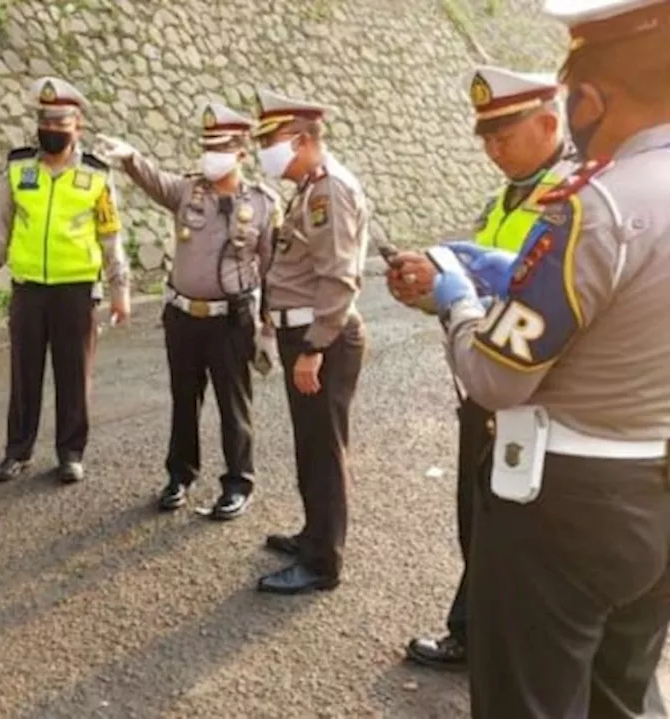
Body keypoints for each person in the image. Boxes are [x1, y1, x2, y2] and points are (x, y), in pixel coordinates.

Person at [428, 0, 671, 714]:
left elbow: (496, 377)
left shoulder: (592, 206)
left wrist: (458, 305)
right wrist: (522, 273)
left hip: (565, 500)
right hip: (655, 485)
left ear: (590, 98)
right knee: (622, 696)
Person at [386, 66, 576, 671]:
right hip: (485, 382)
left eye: (505, 137)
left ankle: (511, 648)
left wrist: (463, 293)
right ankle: (475, 632)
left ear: (549, 123)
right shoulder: (503, 199)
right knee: (481, 518)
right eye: (486, 141)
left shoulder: (574, 197)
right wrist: (424, 290)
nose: (494, 152)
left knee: (527, 531)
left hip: (539, 390)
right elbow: (468, 288)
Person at [95, 103, 279, 520]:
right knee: (183, 400)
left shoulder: (264, 204)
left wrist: (268, 329)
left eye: (220, 148)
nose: (210, 155)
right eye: (206, 146)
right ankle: (180, 476)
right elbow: (154, 181)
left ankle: (237, 483)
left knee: (234, 405)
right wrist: (129, 158)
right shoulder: (187, 191)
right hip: (183, 317)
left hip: (231, 320)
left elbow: (272, 271)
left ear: (241, 153)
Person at [0, 76, 131, 484]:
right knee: (24, 374)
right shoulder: (18, 167)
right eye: (45, 124)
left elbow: (110, 235)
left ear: (77, 127)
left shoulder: (96, 176)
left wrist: (121, 290)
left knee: (73, 375)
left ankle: (70, 453)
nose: (51, 132)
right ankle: (18, 451)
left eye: (60, 126)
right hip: (28, 288)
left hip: (76, 290)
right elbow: (0, 226)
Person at [251, 88, 370, 595]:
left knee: (323, 450)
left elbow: (340, 277)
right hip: (305, 331)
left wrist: (315, 347)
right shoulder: (309, 188)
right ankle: (313, 535)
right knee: (311, 445)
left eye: (271, 141)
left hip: (323, 337)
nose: (264, 152)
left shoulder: (329, 192)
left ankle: (323, 564)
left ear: (300, 140)